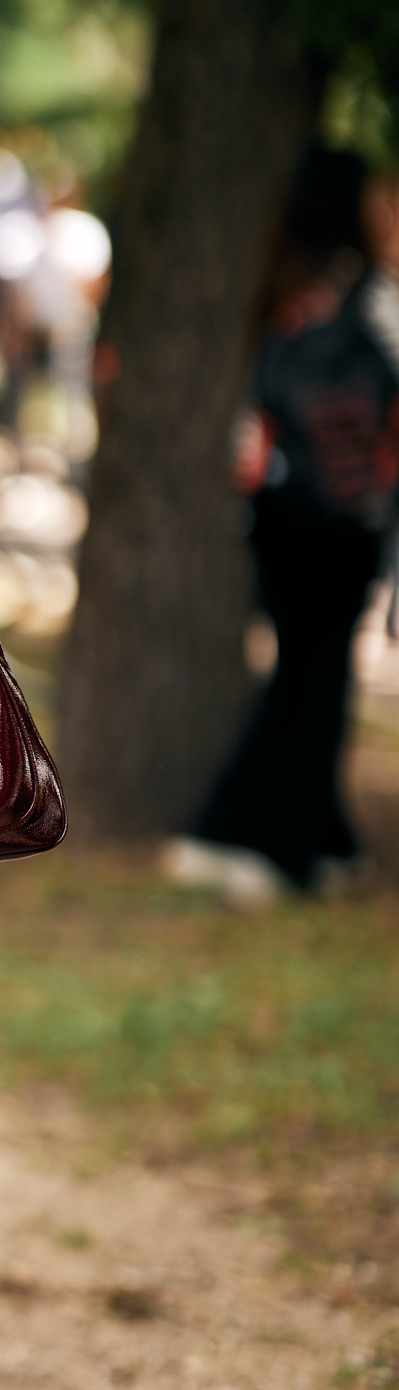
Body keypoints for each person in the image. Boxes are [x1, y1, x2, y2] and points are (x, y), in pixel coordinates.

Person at [167, 147, 399, 904]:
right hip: (338, 519)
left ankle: (312, 840)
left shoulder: (286, 278)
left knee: (304, 670)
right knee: (315, 677)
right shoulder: (362, 296)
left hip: (277, 510)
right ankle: (259, 841)